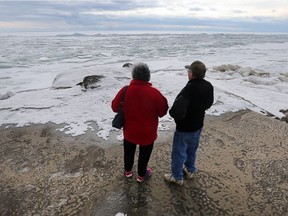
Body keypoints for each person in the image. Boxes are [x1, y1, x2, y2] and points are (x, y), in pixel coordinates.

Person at [112, 62, 168, 183]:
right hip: (147, 133)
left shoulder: (125, 90)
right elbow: (163, 111)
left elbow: (115, 107)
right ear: (148, 76)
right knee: (144, 155)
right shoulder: (154, 93)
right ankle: (141, 175)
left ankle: (128, 172)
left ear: (133, 76)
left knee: (128, 152)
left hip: (130, 132)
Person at [164, 60, 214, 186]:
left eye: (189, 71)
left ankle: (177, 177)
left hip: (185, 127)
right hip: (198, 124)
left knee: (179, 152)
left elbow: (177, 110)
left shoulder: (188, 89)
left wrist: (173, 115)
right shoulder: (208, 86)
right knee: (192, 149)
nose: (188, 73)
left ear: (192, 74)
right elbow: (208, 104)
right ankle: (190, 170)